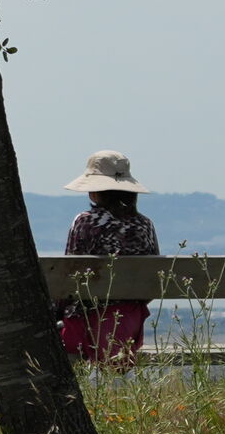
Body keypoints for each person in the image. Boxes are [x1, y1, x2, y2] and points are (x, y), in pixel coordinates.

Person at [59, 149, 157, 363]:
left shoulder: (85, 222)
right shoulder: (145, 225)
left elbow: (68, 277)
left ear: (94, 192)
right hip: (129, 322)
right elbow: (151, 283)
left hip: (86, 321)